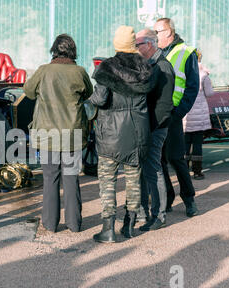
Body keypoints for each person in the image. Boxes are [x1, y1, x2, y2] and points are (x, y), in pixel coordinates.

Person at [88, 26, 158, 242]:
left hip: (110, 133)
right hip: (137, 133)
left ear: (116, 43)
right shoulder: (146, 69)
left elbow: (99, 100)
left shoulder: (108, 67)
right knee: (133, 180)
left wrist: (88, 101)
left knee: (108, 180)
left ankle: (108, 228)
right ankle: (129, 226)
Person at [23, 34, 93, 233]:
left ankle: (50, 224)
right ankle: (74, 223)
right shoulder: (79, 72)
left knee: (50, 178)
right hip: (72, 134)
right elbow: (88, 93)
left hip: (47, 134)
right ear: (73, 51)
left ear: (54, 50)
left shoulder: (44, 70)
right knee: (71, 178)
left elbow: (28, 92)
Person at [154, 18, 200, 217]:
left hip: (172, 114)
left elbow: (192, 87)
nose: (155, 35)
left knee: (176, 158)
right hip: (157, 115)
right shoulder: (157, 54)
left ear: (168, 32)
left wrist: (179, 112)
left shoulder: (186, 52)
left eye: (157, 31)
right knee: (160, 160)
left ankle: (189, 199)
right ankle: (168, 198)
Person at [135, 29, 175, 231]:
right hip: (148, 126)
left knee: (154, 169)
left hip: (155, 127)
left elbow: (164, 105)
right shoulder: (152, 65)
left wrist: (151, 126)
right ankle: (144, 211)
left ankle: (159, 215)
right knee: (145, 169)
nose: (136, 48)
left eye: (138, 44)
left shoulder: (162, 67)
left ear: (149, 44)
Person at [183, 49, 214, 180]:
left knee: (185, 144)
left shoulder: (183, 73)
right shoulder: (203, 75)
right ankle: (197, 171)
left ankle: (183, 170)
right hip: (200, 115)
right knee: (197, 145)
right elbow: (209, 93)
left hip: (186, 114)